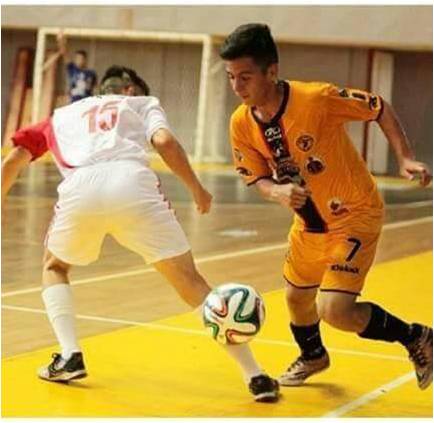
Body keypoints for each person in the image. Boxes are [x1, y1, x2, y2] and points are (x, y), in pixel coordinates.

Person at [1, 66, 279, 402]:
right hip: (132, 182)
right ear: (130, 89)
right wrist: (196, 188)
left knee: (54, 267)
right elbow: (165, 142)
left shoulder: (60, 115)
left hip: (80, 187)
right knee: (191, 283)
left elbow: (14, 159)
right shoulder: (142, 102)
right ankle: (256, 375)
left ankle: (69, 354)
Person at [219, 23, 433, 390]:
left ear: (272, 71)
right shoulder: (241, 122)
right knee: (296, 298)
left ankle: (417, 337)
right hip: (309, 223)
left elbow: (378, 107)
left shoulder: (315, 99)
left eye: (245, 77)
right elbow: (254, 176)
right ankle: (314, 356)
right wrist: (276, 193)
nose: (237, 87)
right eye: (231, 77)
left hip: (356, 212)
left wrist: (406, 158)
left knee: (334, 310)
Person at [44, 31, 97, 103]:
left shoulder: (91, 73)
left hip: (86, 102)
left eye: (81, 59)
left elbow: (95, 88)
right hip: (74, 101)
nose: (79, 61)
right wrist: (61, 41)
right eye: (77, 59)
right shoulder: (72, 69)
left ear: (85, 60)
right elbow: (64, 53)